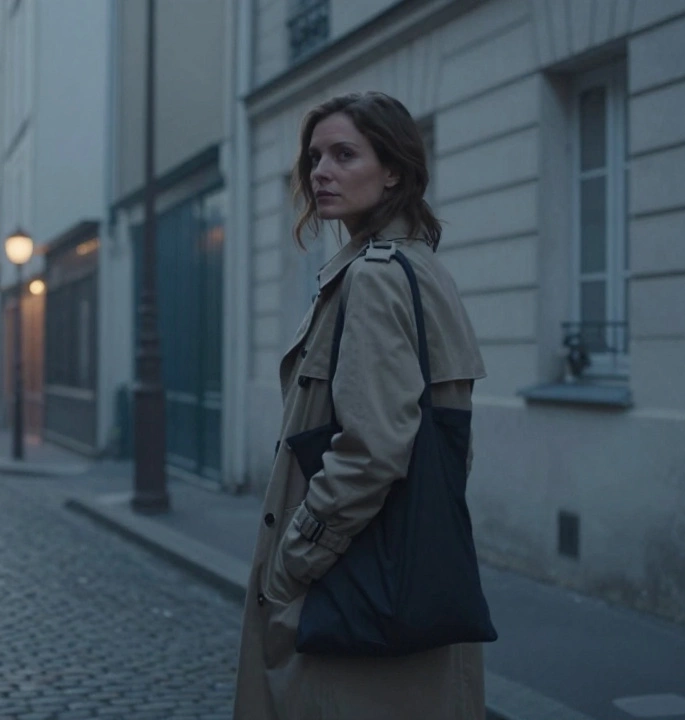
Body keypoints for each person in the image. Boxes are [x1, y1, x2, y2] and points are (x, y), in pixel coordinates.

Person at [233, 91, 489, 720]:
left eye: (345, 154)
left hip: (353, 587)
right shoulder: (422, 268)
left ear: (394, 169)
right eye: (315, 156)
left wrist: (298, 556)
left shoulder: (374, 277)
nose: (321, 170)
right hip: (405, 578)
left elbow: (374, 445)